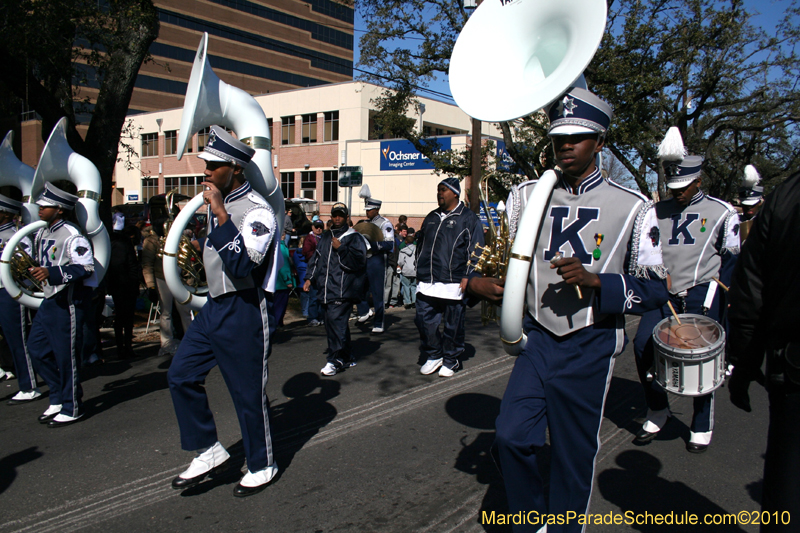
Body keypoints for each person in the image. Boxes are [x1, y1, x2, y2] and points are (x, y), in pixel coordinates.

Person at [467, 87, 668, 532]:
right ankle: (528, 520)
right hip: (538, 337)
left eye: (578, 137)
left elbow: (656, 291)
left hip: (590, 343)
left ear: (600, 142)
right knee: (511, 435)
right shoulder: (524, 196)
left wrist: (600, 282)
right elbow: (499, 259)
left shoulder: (634, 207)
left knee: (573, 455)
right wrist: (480, 284)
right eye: (559, 137)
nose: (565, 145)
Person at [167, 126, 280, 497]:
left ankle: (263, 464)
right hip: (213, 307)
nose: (206, 173)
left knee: (247, 393)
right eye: (206, 165)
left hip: (244, 308)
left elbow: (244, 265)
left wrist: (217, 212)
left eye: (213, 166)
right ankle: (209, 448)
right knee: (180, 375)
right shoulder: (223, 206)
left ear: (234, 168)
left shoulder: (257, 211)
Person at [633, 132, 740, 453]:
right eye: (673, 188)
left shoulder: (722, 212)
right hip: (662, 291)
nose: (678, 194)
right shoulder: (656, 210)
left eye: (684, 188)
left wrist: (722, 301)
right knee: (642, 347)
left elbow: (731, 262)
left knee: (700, 358)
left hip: (702, 293)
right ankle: (657, 408)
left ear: (698, 181)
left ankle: (702, 419)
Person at [727, 172, 800, 531]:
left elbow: (751, 290)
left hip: (793, 367)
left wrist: (743, 360)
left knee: (786, 493)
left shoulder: (786, 196)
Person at [27, 182, 97, 427]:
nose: (40, 209)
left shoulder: (72, 234)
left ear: (59, 209)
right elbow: (41, 262)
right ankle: (57, 396)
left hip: (67, 302)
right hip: (49, 301)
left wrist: (52, 273)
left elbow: (86, 268)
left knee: (66, 357)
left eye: (46, 206)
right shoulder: (43, 232)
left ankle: (72, 405)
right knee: (35, 350)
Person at [414, 177, 483, 377]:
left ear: (454, 193)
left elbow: (477, 249)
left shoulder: (468, 218)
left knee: (453, 325)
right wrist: (420, 271)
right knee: (423, 319)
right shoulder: (432, 217)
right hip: (428, 280)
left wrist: (470, 275)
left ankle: (451, 359)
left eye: (443, 190)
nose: (439, 194)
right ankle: (434, 354)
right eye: (438, 190)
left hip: (454, 282)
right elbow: (421, 246)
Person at [303, 202, 367, 376]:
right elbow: (316, 259)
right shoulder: (325, 236)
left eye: (340, 215)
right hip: (325, 289)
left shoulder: (354, 237)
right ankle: (347, 355)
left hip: (343, 290)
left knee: (335, 322)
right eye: (334, 215)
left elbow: (359, 262)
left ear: (347, 217)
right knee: (334, 324)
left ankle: (335, 359)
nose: (337, 218)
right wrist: (309, 278)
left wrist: (342, 249)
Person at [0, 195, 39, 405]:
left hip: (8, 292)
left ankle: (29, 385)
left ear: (6, 213)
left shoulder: (17, 236)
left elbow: (24, 268)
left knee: (17, 340)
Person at [141, 216, 193, 356]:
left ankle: (191, 341)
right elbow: (147, 265)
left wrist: (189, 280)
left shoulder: (179, 238)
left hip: (179, 277)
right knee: (166, 312)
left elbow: (187, 260)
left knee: (185, 311)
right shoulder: (152, 241)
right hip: (162, 278)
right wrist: (151, 286)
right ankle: (166, 343)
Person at [355, 196, 394, 333]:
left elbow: (390, 244)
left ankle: (379, 323)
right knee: (358, 288)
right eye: (366, 209)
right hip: (364, 260)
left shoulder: (385, 224)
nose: (367, 212)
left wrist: (372, 244)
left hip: (377, 261)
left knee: (378, 293)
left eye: (370, 210)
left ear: (377, 209)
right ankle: (364, 310)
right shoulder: (365, 223)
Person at [107, 223, 141, 359]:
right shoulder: (123, 246)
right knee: (125, 318)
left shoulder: (116, 244)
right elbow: (124, 266)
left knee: (122, 318)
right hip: (125, 286)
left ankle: (123, 346)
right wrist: (132, 282)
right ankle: (124, 347)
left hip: (120, 286)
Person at [302, 220, 324, 326]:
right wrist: (318, 255)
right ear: (312, 227)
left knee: (321, 295)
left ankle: (321, 316)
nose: (319, 229)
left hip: (323, 270)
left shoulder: (323, 238)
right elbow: (307, 253)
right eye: (317, 227)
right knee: (314, 295)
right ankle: (312, 317)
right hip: (313, 268)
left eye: (320, 227)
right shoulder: (309, 238)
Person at [397, 227, 417, 309]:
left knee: (406, 286)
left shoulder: (403, 251)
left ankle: (407, 302)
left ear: (406, 242)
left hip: (406, 270)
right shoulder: (417, 249)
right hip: (415, 270)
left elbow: (401, 261)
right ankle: (414, 301)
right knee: (414, 287)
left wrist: (399, 266)